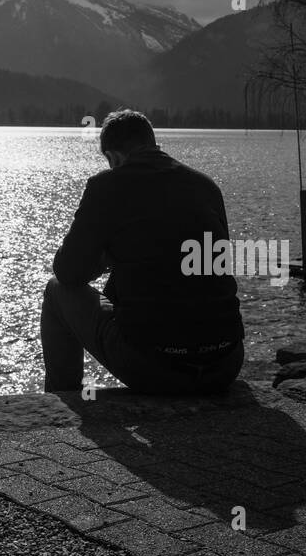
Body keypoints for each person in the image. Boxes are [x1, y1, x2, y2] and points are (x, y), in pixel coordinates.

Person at [41, 109, 244, 395]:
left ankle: (65, 401)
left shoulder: (106, 186)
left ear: (114, 158)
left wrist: (106, 257)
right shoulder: (206, 186)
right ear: (152, 143)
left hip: (156, 368)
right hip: (225, 364)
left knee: (56, 291)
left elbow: (68, 272)